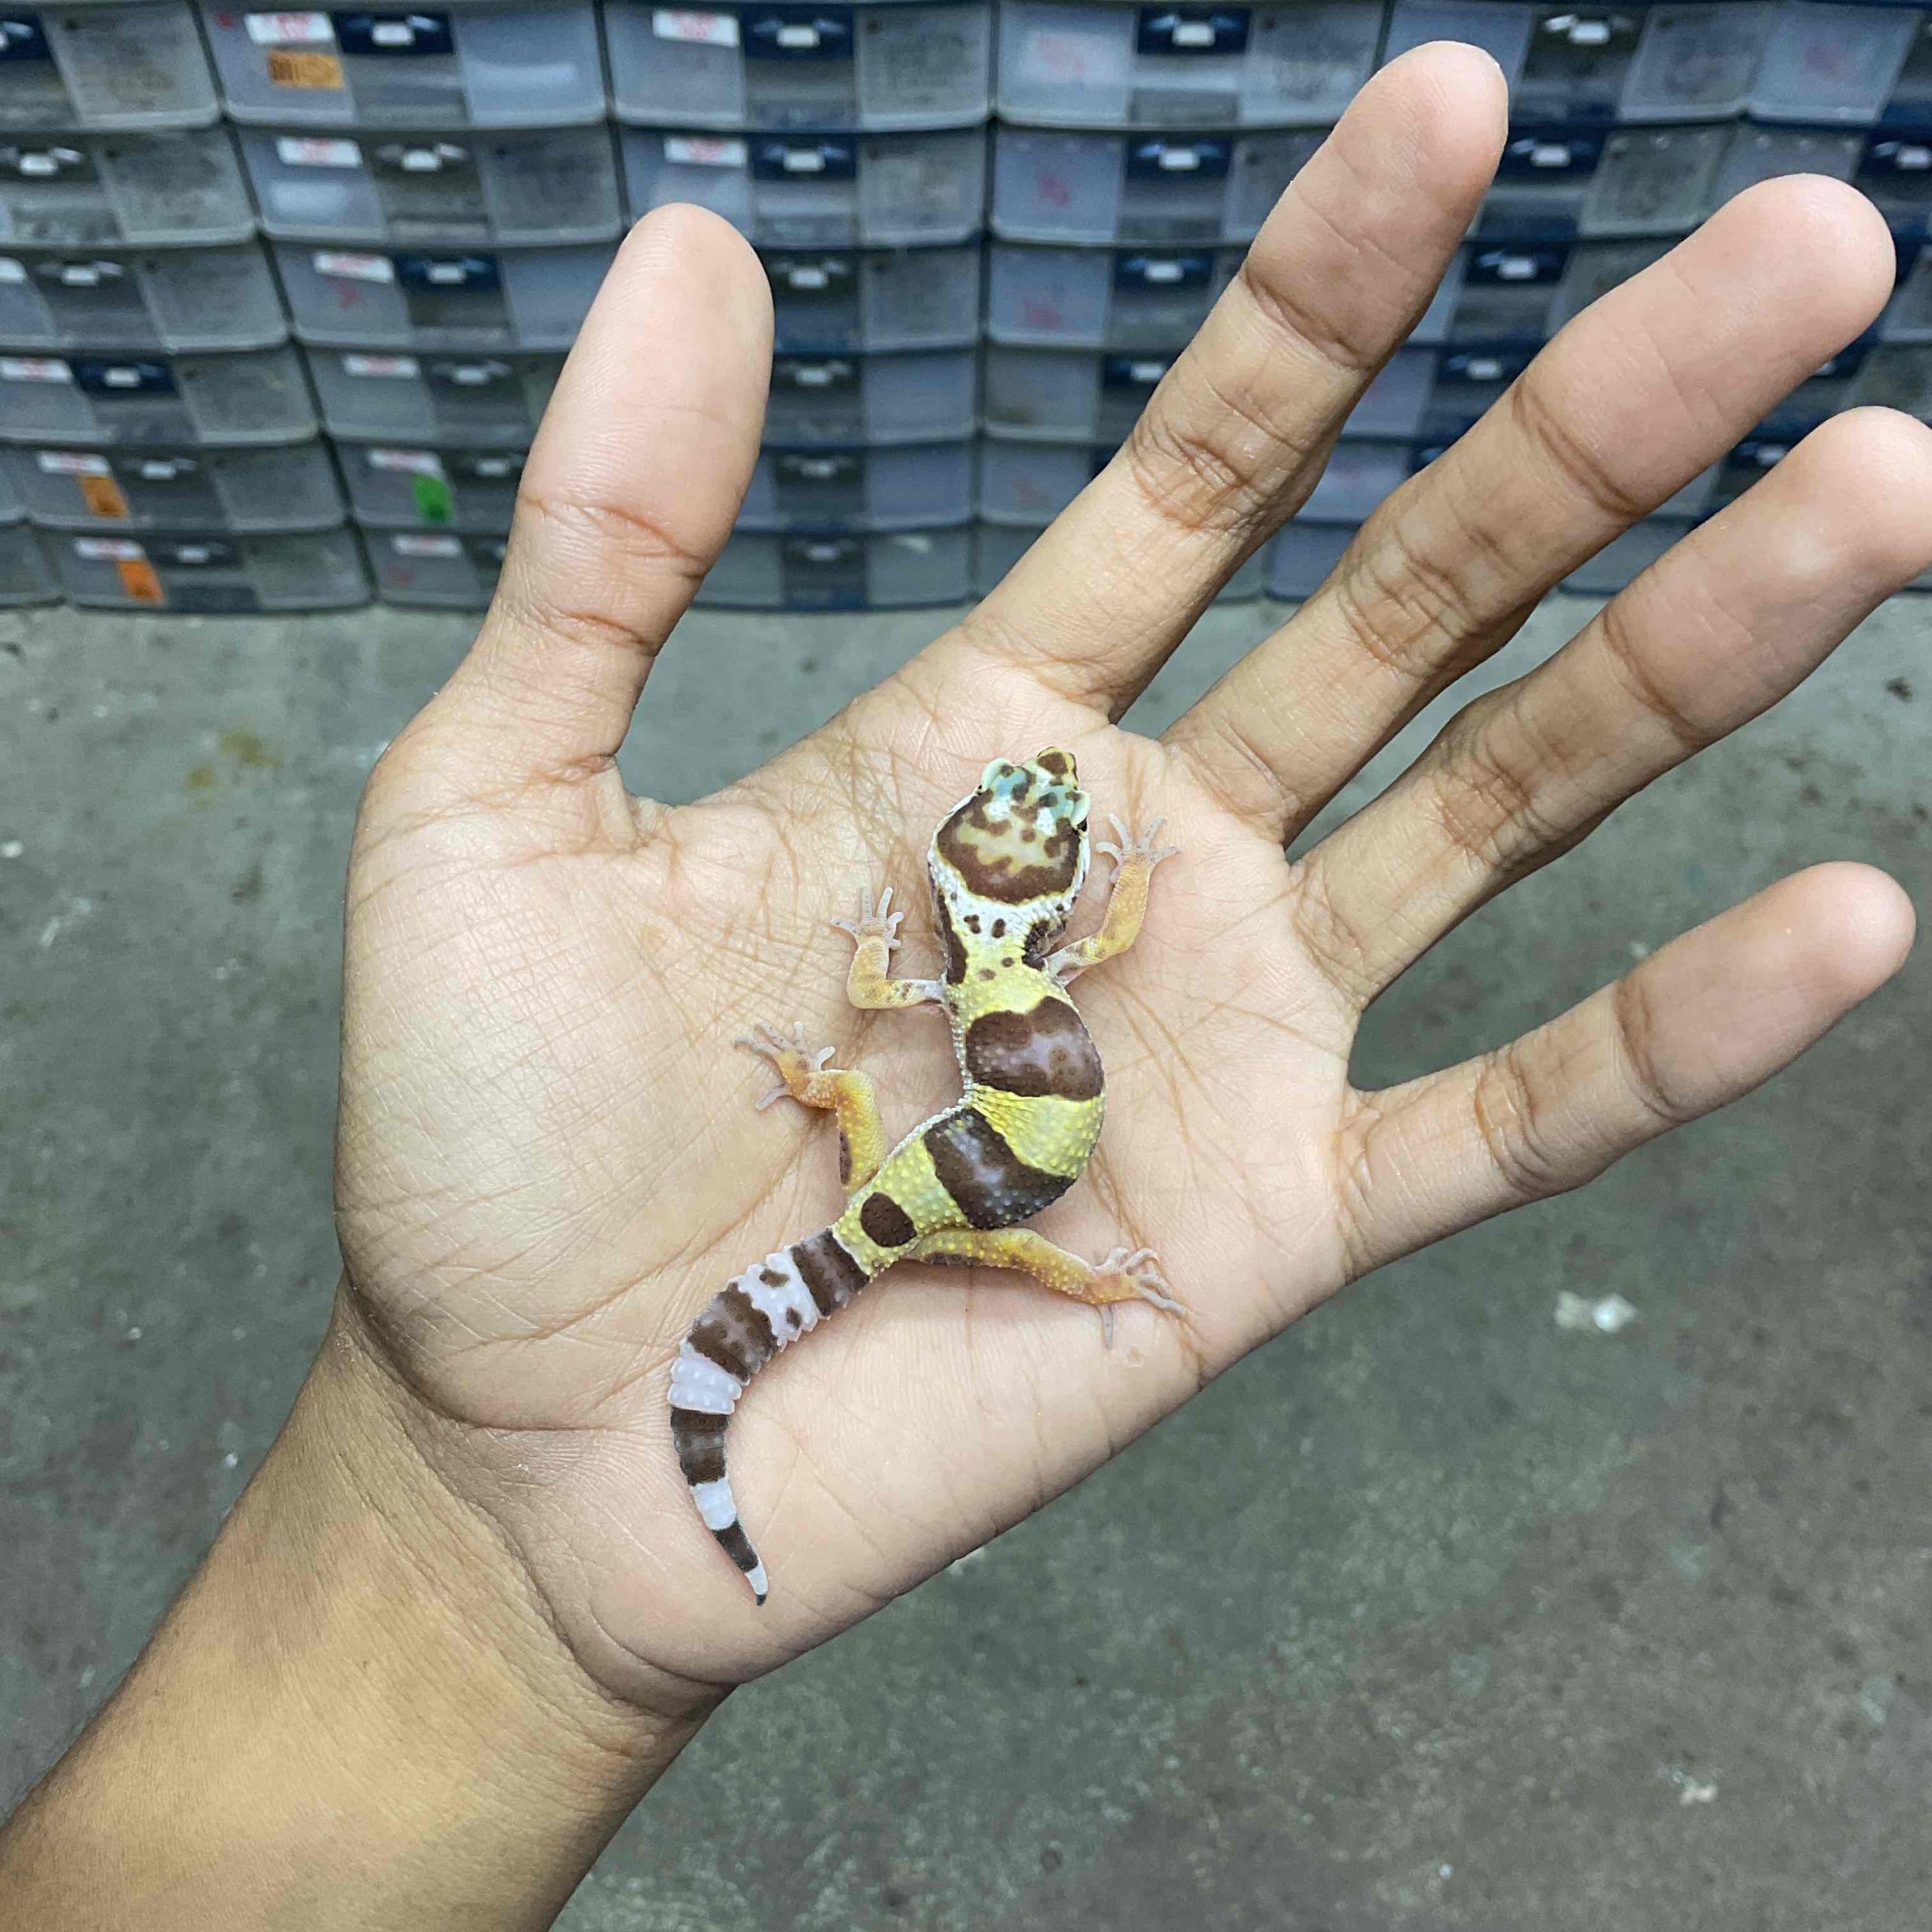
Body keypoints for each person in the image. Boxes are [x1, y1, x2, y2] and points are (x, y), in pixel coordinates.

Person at [0, 45, 1922, 1926]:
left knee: (884, 1158)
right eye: (1033, 818)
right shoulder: (1025, 959)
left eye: (1039, 820)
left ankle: (773, 1392)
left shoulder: (975, 965)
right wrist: (1063, 1186)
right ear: (1015, 882)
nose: (1042, 816)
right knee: (968, 1230)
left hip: (928, 1168)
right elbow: (1049, 953)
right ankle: (807, 1400)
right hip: (964, 1192)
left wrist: (863, 1026)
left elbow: (918, 989)